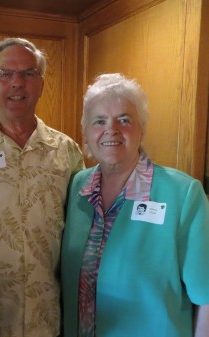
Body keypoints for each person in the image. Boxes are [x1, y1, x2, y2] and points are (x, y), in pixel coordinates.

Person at [0, 37, 84, 337]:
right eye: (5, 74)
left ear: (41, 83)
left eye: (28, 73)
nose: (17, 83)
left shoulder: (67, 152)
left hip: (47, 316)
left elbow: (79, 232)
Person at [61, 73, 209, 337]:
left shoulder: (183, 194)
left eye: (124, 119)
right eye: (99, 121)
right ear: (86, 131)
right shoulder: (77, 188)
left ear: (142, 128)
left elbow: (205, 297)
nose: (111, 130)